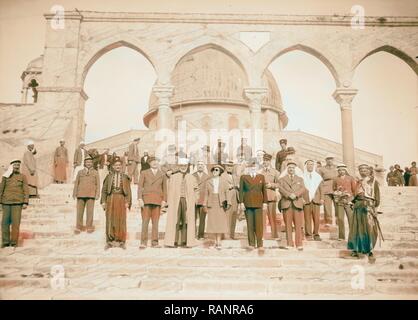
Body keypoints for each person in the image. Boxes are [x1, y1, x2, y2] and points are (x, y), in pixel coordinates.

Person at [347, 164, 381, 263]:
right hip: (358, 206)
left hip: (369, 206)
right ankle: (356, 249)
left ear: (369, 171)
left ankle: (369, 249)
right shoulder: (358, 181)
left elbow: (377, 196)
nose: (363, 171)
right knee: (356, 228)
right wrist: (351, 201)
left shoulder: (373, 181)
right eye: (361, 169)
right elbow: (355, 194)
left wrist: (376, 208)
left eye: (365, 169)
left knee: (369, 228)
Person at [164, 158, 198, 248]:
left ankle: (185, 241)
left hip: (187, 201)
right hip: (176, 201)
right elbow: (169, 190)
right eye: (182, 166)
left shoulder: (191, 177)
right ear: (179, 166)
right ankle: (173, 241)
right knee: (175, 220)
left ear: (187, 167)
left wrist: (194, 200)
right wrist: (168, 202)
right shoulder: (174, 177)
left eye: (185, 166)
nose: (183, 167)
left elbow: (196, 190)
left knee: (186, 220)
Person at [101, 159, 132, 250]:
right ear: (113, 167)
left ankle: (121, 241)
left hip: (121, 199)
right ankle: (110, 241)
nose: (118, 166)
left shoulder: (125, 177)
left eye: (119, 165)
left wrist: (128, 202)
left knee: (121, 219)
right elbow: (104, 191)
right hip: (111, 199)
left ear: (121, 166)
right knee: (110, 219)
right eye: (116, 165)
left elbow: (129, 191)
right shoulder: (109, 177)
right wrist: (103, 202)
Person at [138, 156, 167, 248]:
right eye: (152, 161)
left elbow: (165, 189)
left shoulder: (162, 174)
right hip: (146, 200)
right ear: (149, 163)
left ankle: (155, 242)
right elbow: (139, 187)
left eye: (156, 161)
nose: (154, 163)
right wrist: (140, 199)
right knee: (145, 222)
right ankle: (143, 242)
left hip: (157, 200)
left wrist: (164, 200)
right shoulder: (144, 172)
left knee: (156, 222)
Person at [239, 158, 267, 251]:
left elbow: (264, 191)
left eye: (255, 166)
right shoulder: (244, 177)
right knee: (250, 224)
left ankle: (260, 244)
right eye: (251, 166)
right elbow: (241, 191)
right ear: (248, 167)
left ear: (258, 167)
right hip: (248, 203)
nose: (253, 167)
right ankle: (251, 243)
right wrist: (241, 203)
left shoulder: (261, 177)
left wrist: (265, 203)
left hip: (258, 203)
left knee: (259, 225)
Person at [0, 160, 29, 248]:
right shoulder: (5, 176)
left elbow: (26, 190)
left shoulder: (23, 177)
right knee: (4, 223)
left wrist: (25, 202)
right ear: (11, 166)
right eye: (15, 165)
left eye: (18, 165)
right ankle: (5, 242)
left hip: (17, 203)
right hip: (6, 202)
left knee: (16, 223)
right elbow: (1, 189)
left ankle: (14, 242)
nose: (16, 167)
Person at [278, 161, 307, 251]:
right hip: (287, 203)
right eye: (289, 168)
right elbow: (280, 189)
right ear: (287, 169)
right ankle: (289, 243)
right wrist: (288, 195)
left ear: (295, 169)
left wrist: (296, 194)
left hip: (297, 203)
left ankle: (299, 244)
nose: (291, 169)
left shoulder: (300, 179)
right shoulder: (282, 179)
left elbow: (303, 189)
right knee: (288, 225)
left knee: (298, 225)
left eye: (293, 168)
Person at [203, 165, 229, 249]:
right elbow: (206, 194)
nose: (214, 171)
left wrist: (228, 203)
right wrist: (204, 204)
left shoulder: (224, 181)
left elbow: (227, 193)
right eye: (213, 170)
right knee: (213, 223)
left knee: (220, 222)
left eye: (216, 170)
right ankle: (214, 242)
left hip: (221, 203)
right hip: (211, 202)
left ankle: (219, 242)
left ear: (220, 172)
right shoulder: (208, 182)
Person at [72, 157, 100, 234]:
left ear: (92, 163)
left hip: (91, 194)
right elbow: (76, 183)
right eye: (87, 162)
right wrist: (74, 193)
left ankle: (89, 227)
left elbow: (98, 184)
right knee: (79, 212)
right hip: (80, 194)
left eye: (90, 162)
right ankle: (78, 227)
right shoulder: (80, 172)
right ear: (84, 163)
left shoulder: (95, 172)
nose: (89, 163)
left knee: (90, 212)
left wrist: (97, 194)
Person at [258, 153, 280, 240]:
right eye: (264, 160)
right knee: (262, 217)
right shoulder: (260, 172)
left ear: (270, 161)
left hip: (271, 197)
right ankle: (262, 235)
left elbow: (279, 184)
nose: (265, 162)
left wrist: (271, 185)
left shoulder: (275, 172)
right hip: (262, 198)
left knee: (272, 217)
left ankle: (274, 235)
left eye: (267, 160)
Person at [333, 163, 356, 241]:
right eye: (339, 170)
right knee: (340, 219)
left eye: (343, 170)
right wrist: (337, 193)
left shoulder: (350, 178)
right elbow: (334, 189)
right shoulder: (335, 179)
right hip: (340, 201)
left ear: (345, 170)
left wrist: (352, 200)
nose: (341, 171)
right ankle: (341, 236)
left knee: (351, 218)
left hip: (349, 201)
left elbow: (354, 190)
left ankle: (352, 236)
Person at [302, 160, 323, 241]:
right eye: (308, 164)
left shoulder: (318, 176)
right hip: (306, 200)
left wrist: (322, 198)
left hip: (316, 200)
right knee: (307, 218)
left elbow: (321, 189)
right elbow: (301, 189)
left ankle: (316, 234)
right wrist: (302, 199)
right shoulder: (302, 176)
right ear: (306, 166)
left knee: (316, 219)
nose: (310, 166)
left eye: (311, 164)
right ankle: (308, 235)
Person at [221, 160, 240, 239]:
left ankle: (232, 234)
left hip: (235, 198)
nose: (230, 167)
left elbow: (238, 186)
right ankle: (226, 235)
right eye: (228, 166)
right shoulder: (222, 175)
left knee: (234, 216)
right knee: (227, 217)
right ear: (225, 167)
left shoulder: (235, 176)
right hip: (227, 198)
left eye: (231, 166)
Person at [317, 155, 338, 226]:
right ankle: (328, 221)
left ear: (333, 160)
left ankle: (338, 221)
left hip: (337, 189)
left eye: (331, 159)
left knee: (337, 205)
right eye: (328, 159)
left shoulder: (337, 168)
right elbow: (319, 179)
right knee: (327, 206)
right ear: (325, 160)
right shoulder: (321, 169)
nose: (329, 160)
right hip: (326, 188)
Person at [193, 161, 209, 239]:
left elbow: (208, 189)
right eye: (198, 165)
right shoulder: (192, 175)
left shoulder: (207, 176)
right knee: (193, 218)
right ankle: (192, 235)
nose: (200, 166)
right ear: (196, 166)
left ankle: (201, 235)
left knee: (202, 219)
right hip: (194, 199)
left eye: (202, 165)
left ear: (204, 166)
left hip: (203, 200)